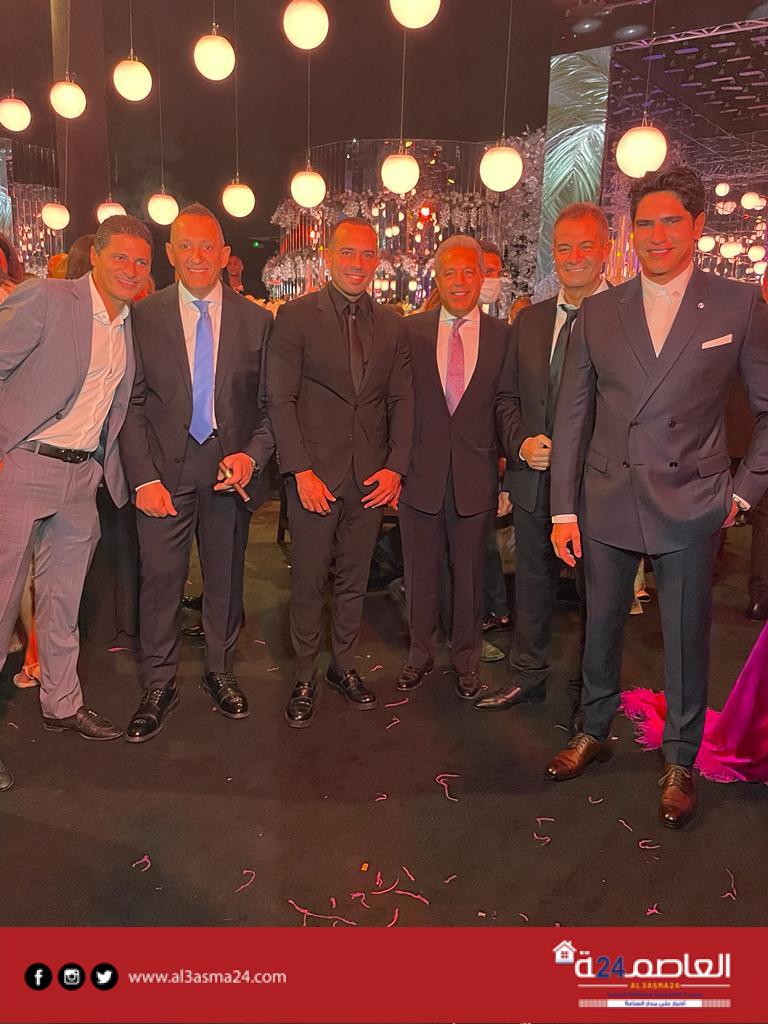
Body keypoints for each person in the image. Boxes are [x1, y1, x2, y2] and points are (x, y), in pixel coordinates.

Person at [546, 165, 768, 829]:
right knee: (600, 625)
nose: (658, 235)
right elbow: (571, 418)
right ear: (630, 233)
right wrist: (563, 508)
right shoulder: (598, 310)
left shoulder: (737, 305)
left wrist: (743, 494)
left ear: (697, 226)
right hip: (607, 495)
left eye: (672, 220)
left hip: (693, 500)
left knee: (687, 637)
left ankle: (681, 759)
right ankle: (593, 729)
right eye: (645, 223)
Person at [119, 204, 274, 743]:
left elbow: (270, 408)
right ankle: (158, 683)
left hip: (229, 472)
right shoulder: (143, 317)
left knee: (226, 578)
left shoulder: (258, 321)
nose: (198, 256)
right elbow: (131, 404)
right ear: (170, 254)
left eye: (208, 246)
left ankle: (220, 670)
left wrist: (251, 457)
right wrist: (143, 478)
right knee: (160, 579)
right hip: (162, 473)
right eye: (186, 246)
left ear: (225, 254)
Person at [0, 214, 153, 740]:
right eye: (120, 257)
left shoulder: (130, 324)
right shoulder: (48, 298)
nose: (130, 269)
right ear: (96, 256)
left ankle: (61, 703)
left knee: (63, 603)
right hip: (23, 464)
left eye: (140, 261)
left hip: (82, 476)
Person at [267, 217, 413, 727]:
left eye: (367, 254)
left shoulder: (393, 324)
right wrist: (299, 470)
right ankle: (305, 674)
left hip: (370, 478)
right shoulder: (295, 317)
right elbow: (280, 399)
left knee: (354, 579)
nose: (358, 263)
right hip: (314, 476)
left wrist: (395, 468)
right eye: (347, 253)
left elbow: (402, 400)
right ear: (328, 257)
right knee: (309, 580)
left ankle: (343, 666)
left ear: (377, 261)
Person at [477, 203, 611, 715]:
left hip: (597, 487)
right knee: (532, 585)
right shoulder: (530, 320)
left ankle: (590, 696)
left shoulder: (625, 316)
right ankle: (527, 675)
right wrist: (521, 443)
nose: (573, 257)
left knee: (598, 596)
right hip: (534, 482)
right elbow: (506, 398)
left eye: (585, 246)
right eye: (564, 247)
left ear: (605, 250)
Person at [396, 235, 516, 699]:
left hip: (476, 475)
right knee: (419, 572)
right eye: (451, 272)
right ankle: (419, 654)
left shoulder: (504, 336)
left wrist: (508, 474)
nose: (460, 281)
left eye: (469, 272)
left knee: (470, 575)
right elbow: (396, 403)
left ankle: (467, 661)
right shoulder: (411, 331)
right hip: (419, 473)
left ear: (483, 277)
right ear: (438, 278)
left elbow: (508, 406)